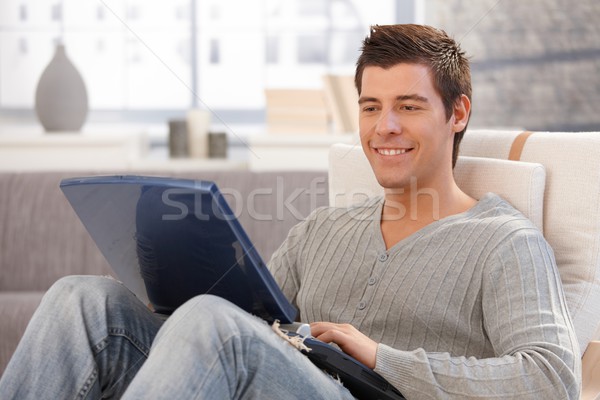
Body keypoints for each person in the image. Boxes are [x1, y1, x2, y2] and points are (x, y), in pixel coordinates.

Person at [0, 24, 580, 399]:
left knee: (211, 325)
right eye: (371, 107)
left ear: (457, 114)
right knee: (82, 299)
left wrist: (383, 357)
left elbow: (553, 379)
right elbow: (251, 328)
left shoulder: (504, 240)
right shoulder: (323, 229)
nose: (386, 127)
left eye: (409, 106)